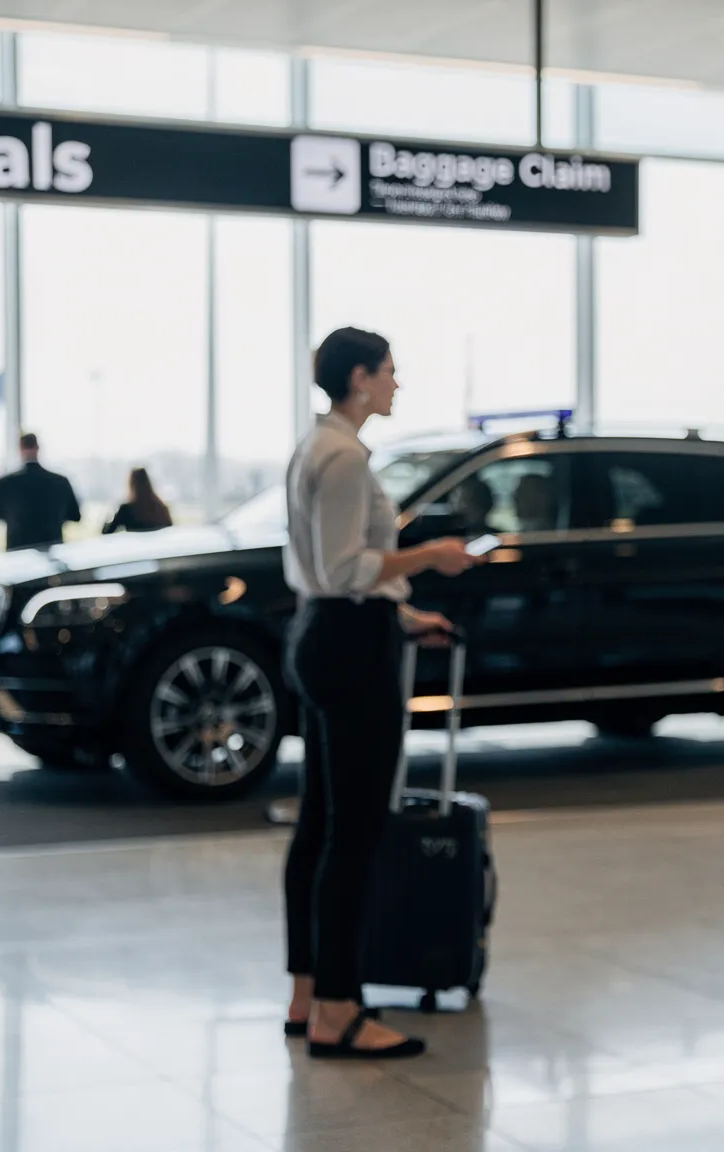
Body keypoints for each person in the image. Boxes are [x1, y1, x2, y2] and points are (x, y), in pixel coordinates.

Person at [282, 326, 479, 1060]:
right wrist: (431, 556)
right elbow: (341, 567)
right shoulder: (344, 458)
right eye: (391, 372)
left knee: (319, 824)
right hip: (347, 646)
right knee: (354, 835)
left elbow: (320, 574)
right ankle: (338, 1010)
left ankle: (307, 992)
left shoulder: (315, 446)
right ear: (360, 378)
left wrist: (400, 610)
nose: (398, 384)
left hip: (328, 634)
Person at [0, 433, 81, 551]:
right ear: (38, 448)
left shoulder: (5, 483)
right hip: (51, 549)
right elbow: (75, 516)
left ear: (20, 449)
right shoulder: (60, 482)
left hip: (17, 550)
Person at [103, 467, 173, 534]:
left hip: (135, 546)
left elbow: (107, 532)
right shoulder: (161, 508)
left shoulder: (126, 510)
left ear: (131, 484)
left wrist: (109, 514)